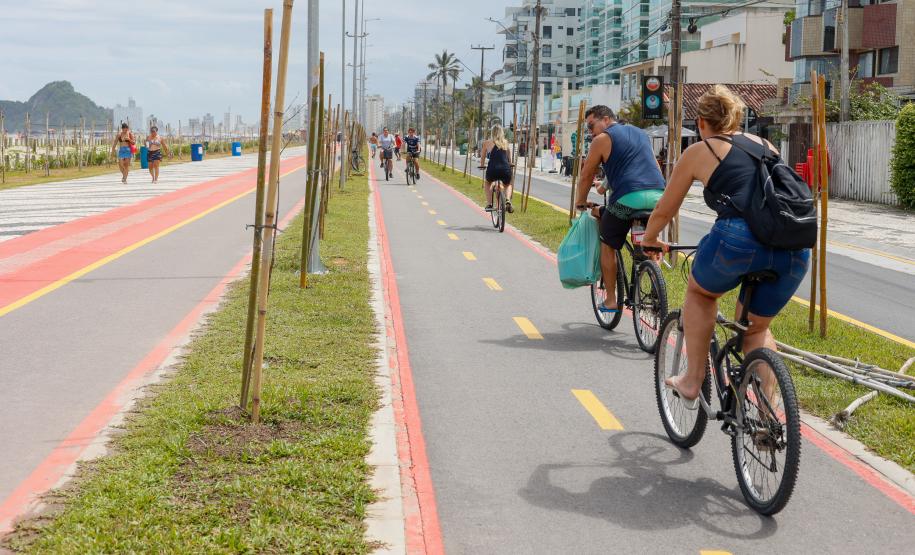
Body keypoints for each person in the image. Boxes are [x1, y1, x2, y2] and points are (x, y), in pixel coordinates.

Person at [640, 85, 810, 406]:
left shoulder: (699, 150)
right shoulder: (766, 145)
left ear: (701, 122)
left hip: (738, 239)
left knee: (700, 293)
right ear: (736, 119)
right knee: (756, 330)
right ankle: (768, 411)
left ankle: (692, 380)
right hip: (794, 246)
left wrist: (649, 239)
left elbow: (665, 209)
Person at [573, 105, 666, 315]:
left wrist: (580, 201)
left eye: (591, 126)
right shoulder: (641, 134)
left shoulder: (602, 140)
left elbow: (586, 175)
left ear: (606, 119)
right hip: (658, 197)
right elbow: (655, 166)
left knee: (607, 244)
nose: (590, 132)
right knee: (651, 242)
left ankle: (611, 300)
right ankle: (656, 287)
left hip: (627, 199)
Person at [478, 125, 515, 213]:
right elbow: (509, 159)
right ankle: (508, 200)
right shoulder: (505, 142)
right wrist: (510, 164)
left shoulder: (487, 143)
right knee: (508, 184)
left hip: (492, 170)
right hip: (505, 170)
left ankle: (489, 204)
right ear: (502, 133)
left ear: (492, 132)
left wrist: (482, 165)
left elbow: (482, 157)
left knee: (488, 183)